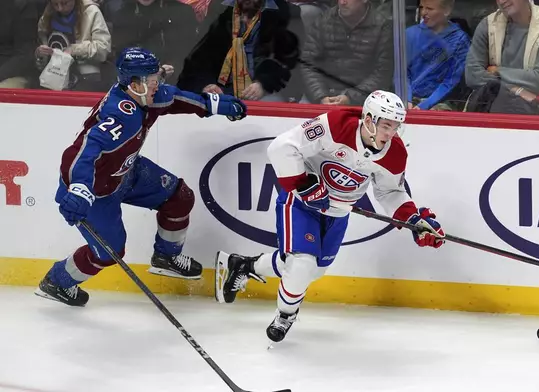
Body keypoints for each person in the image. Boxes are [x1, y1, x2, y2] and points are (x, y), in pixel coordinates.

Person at [215, 90, 445, 343]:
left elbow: (389, 191)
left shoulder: (396, 153)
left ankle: (243, 265)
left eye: (396, 126)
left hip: (338, 213)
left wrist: (413, 220)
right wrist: (303, 184)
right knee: (302, 264)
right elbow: (282, 147)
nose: (391, 133)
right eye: (386, 125)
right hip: (301, 204)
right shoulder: (336, 125)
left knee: (312, 271)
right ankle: (286, 315)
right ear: (369, 120)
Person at [35, 47, 247, 307]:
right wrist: (79, 188)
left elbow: (179, 98)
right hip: (97, 193)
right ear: (134, 84)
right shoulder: (119, 115)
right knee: (108, 253)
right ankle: (58, 281)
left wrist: (214, 105)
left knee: (180, 197)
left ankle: (166, 256)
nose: (158, 85)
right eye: (153, 80)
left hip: (127, 173)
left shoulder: (148, 95)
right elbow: (83, 152)